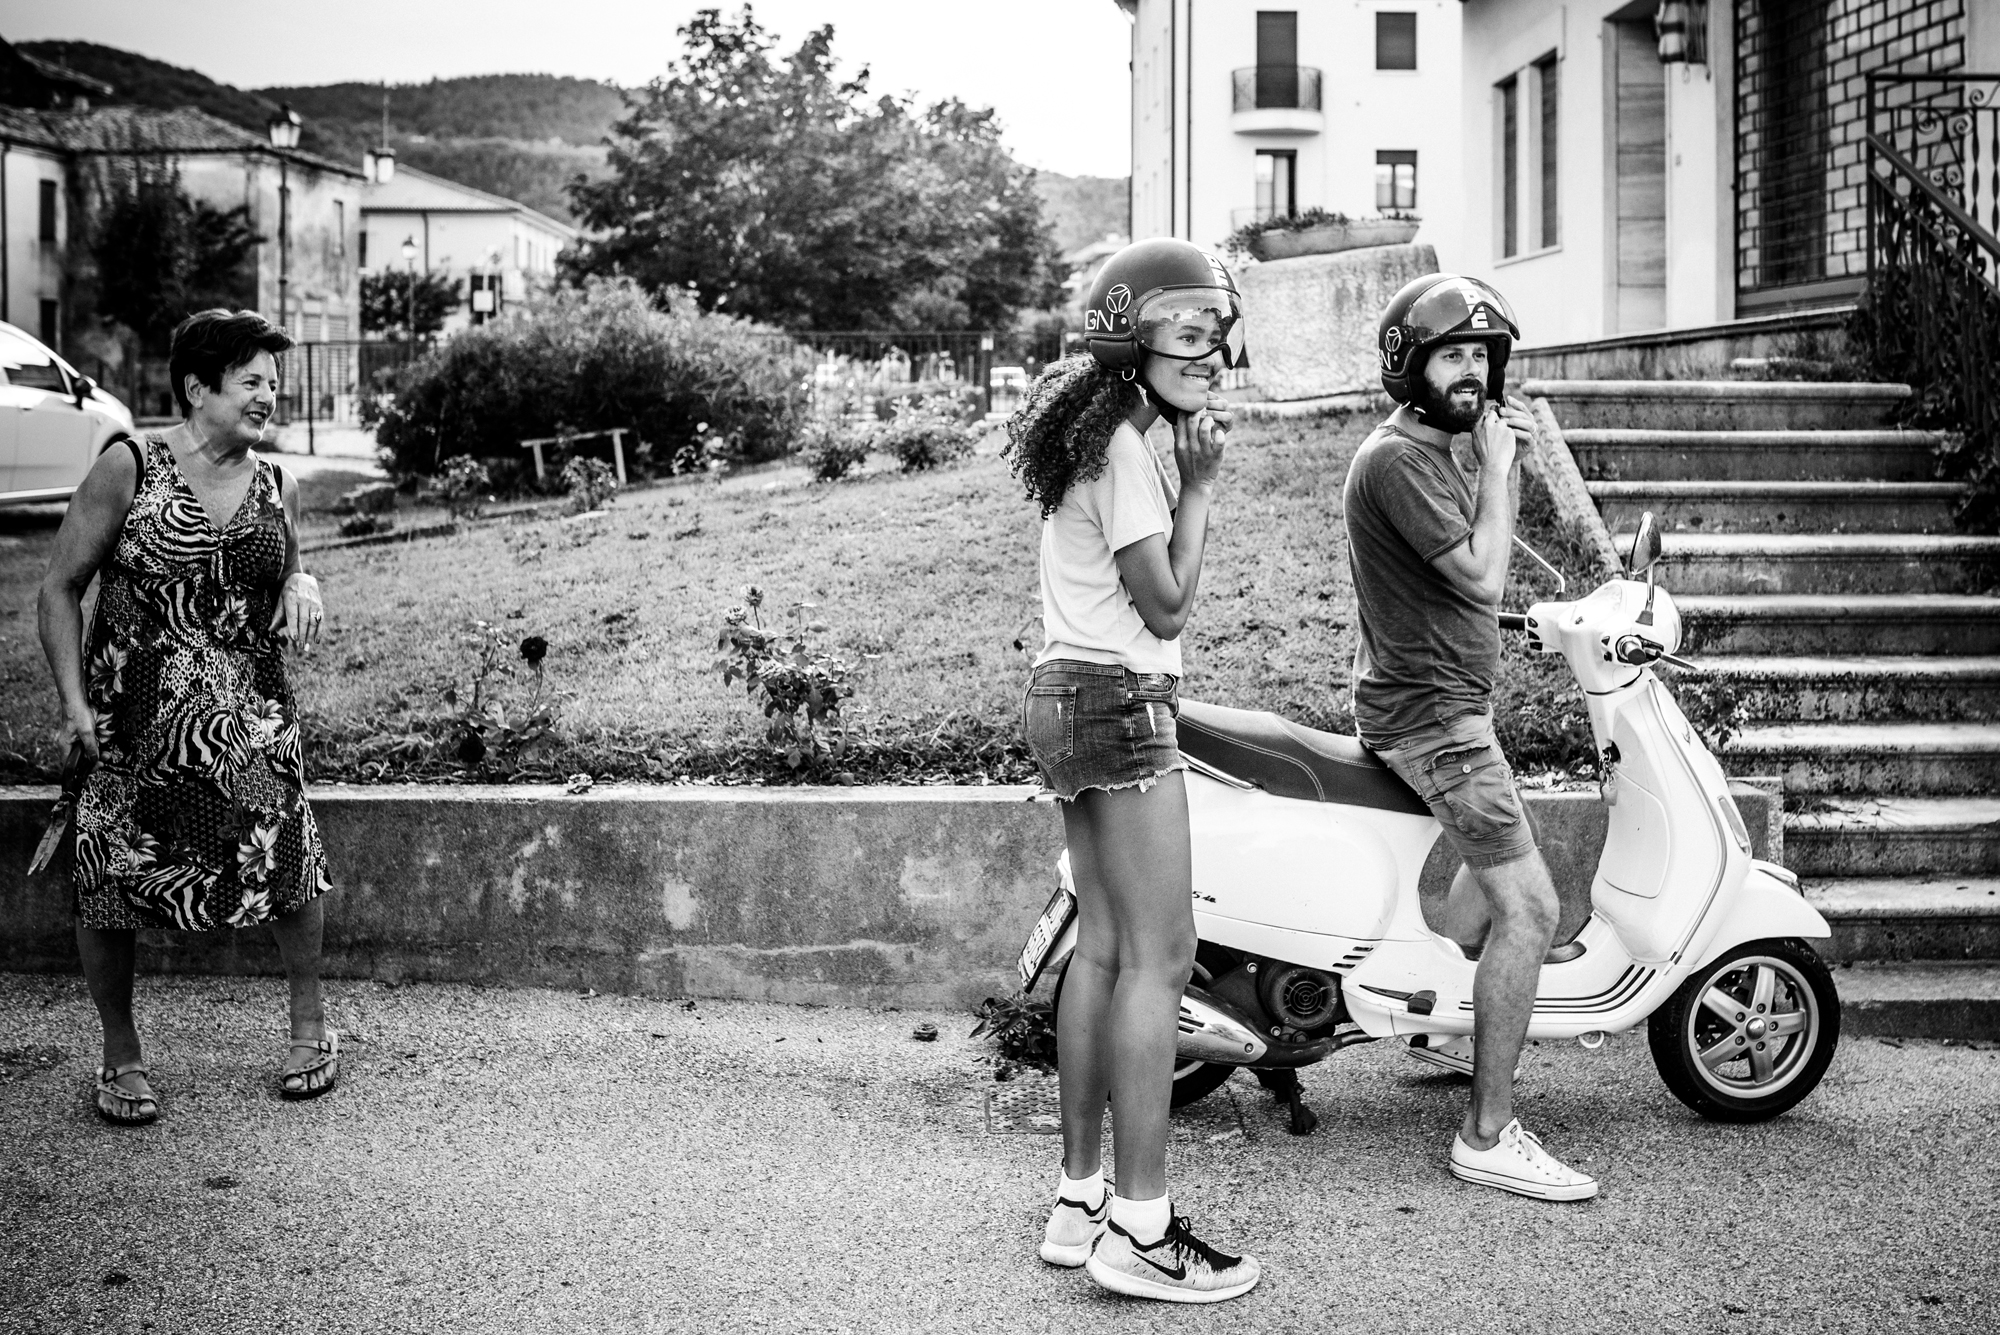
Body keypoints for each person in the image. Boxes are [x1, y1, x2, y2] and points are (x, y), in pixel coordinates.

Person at [1002, 239, 1261, 1302]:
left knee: (1103, 954)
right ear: (1127, 333)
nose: (1212, 352)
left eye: (1219, 334)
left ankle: (1079, 1200)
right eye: (1190, 332)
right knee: (1161, 957)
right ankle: (1141, 1231)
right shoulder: (1124, 453)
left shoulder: (1096, 433)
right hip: (1115, 697)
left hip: (1063, 693)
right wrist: (1198, 489)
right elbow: (1163, 606)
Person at [37, 308, 337, 1125]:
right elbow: (59, 586)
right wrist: (73, 702)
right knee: (111, 876)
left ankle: (311, 1026)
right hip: (132, 716)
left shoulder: (279, 483)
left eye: (274, 383)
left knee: (289, 858)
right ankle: (120, 1050)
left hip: (250, 714)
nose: (268, 397)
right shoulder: (129, 466)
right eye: (251, 382)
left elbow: (288, 569)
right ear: (199, 387)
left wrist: (300, 584)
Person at [1343, 273, 1597, 1201]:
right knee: (1530, 908)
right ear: (1408, 364)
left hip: (1445, 704)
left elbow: (1466, 588)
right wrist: (1501, 472)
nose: (1473, 375)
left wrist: (1531, 619)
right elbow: (1481, 576)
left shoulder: (1429, 450)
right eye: (1453, 355)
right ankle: (1487, 1134)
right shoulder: (1403, 460)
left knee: (1491, 886)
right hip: (1434, 719)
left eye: (1484, 357)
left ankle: (1447, 1022)